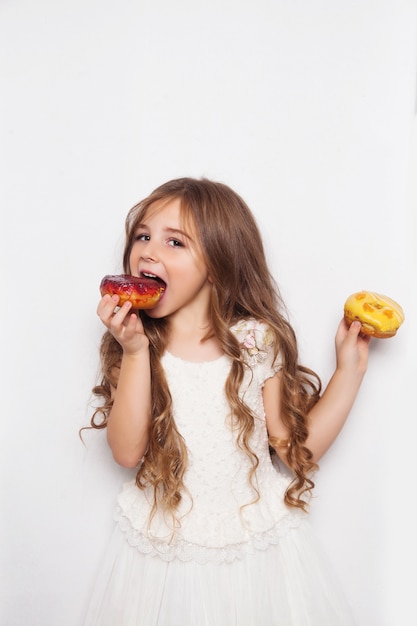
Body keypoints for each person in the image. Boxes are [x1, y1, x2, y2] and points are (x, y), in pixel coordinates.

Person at [83, 177, 370, 626]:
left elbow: (296, 454)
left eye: (174, 241)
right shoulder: (135, 346)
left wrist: (348, 373)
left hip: (253, 549)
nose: (148, 251)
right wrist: (135, 351)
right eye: (142, 235)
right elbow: (126, 452)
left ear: (218, 262)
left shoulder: (257, 341)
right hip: (165, 554)